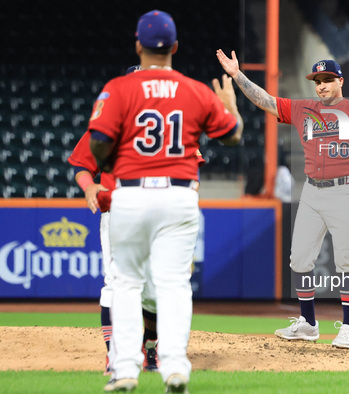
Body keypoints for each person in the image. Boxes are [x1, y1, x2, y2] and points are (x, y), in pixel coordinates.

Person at [217, 49, 349, 348]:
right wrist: (237, 75)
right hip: (312, 191)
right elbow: (267, 100)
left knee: (346, 262)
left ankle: (348, 329)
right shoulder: (302, 108)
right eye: (318, 81)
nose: (322, 85)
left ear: (340, 81)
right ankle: (308, 324)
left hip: (346, 190)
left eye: (327, 79)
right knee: (299, 259)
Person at [89, 10, 243, 392]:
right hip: (178, 196)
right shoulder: (194, 90)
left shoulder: (119, 88)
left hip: (132, 193)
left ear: (138, 45)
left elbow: (97, 143)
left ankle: (125, 371)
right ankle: (175, 368)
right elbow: (233, 136)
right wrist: (232, 106)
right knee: (174, 284)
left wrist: (110, 158)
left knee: (124, 283)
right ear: (174, 47)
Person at [68, 65, 165, 377]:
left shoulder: (169, 122)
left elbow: (193, 167)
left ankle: (149, 346)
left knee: (155, 289)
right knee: (115, 283)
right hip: (118, 210)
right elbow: (82, 164)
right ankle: (114, 355)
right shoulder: (108, 123)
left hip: (159, 212)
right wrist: (89, 186)